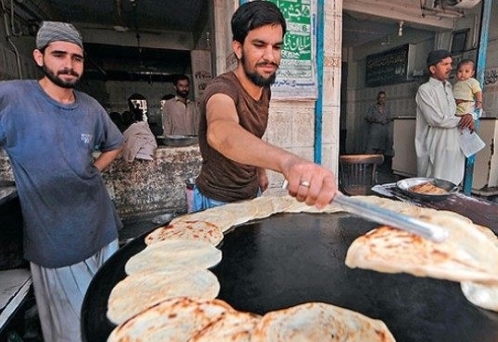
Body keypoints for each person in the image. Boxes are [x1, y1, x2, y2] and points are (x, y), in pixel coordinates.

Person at [0, 21, 124, 342]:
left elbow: (115, 144)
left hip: (102, 229)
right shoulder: (13, 97)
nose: (69, 65)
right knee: (70, 333)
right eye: (59, 55)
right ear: (39, 57)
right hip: (56, 241)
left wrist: (93, 170)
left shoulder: (90, 107)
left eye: (77, 58)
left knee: (107, 317)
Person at [194, 0, 337, 211]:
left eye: (277, 47)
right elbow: (220, 131)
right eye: (259, 45)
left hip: (252, 194)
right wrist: (287, 162)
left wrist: (260, 171)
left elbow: (252, 134)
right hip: (216, 201)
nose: (270, 57)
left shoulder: (264, 88)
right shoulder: (221, 89)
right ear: (239, 48)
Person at [415, 49, 475, 185]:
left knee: (452, 186)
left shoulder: (450, 88)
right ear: (432, 68)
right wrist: (462, 119)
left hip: (454, 144)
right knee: (434, 186)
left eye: (450, 64)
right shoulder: (425, 90)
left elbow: (460, 109)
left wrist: (469, 116)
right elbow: (435, 119)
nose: (450, 67)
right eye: (444, 64)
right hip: (436, 146)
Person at [364, 91, 394, 167]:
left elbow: (390, 118)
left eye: (383, 97)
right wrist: (376, 120)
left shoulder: (387, 108)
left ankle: (376, 166)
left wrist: (387, 120)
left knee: (381, 149)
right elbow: (367, 118)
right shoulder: (372, 107)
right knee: (371, 148)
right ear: (377, 98)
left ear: (385, 99)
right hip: (375, 130)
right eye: (380, 97)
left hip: (383, 131)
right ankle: (365, 164)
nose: (381, 99)